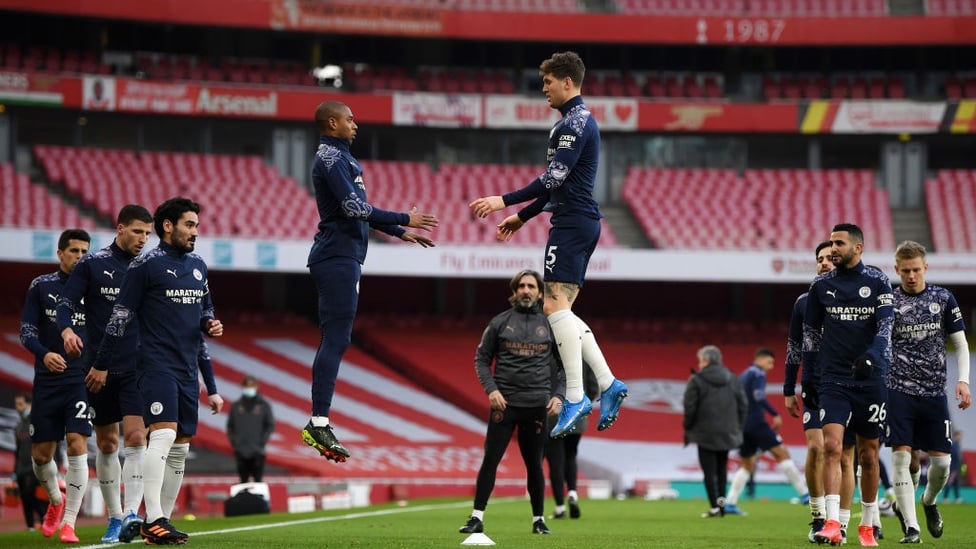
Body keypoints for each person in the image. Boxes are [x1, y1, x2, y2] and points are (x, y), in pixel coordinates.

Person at [468, 51, 627, 439]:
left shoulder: (573, 125)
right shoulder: (574, 122)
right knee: (563, 310)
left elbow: (551, 179)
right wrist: (522, 217)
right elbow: (559, 183)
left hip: (572, 224)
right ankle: (607, 383)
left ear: (567, 82)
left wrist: (503, 201)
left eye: (548, 82)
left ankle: (576, 394)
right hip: (575, 220)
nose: (544, 89)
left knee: (553, 307)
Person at [301, 100, 437, 463]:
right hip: (336, 256)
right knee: (336, 337)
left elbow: (359, 212)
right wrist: (405, 217)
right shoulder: (330, 159)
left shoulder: (341, 158)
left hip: (344, 257)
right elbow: (354, 210)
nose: (355, 124)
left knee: (339, 337)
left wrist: (398, 231)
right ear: (332, 123)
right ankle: (318, 421)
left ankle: (320, 419)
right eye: (349, 119)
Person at [92, 197, 224, 545]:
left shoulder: (198, 265)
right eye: (189, 225)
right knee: (162, 434)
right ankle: (153, 518)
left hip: (185, 369)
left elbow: (205, 306)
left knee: (180, 444)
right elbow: (120, 316)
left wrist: (210, 321)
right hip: (155, 364)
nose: (195, 231)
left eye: (196, 225)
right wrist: (101, 362)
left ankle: (160, 523)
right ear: (168, 226)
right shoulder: (145, 266)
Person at [56, 204, 154, 543]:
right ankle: (114, 517)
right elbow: (65, 305)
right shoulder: (92, 265)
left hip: (136, 368)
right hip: (97, 368)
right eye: (138, 231)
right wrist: (67, 331)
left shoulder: (149, 267)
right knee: (108, 442)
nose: (144, 239)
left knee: (136, 437)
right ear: (120, 228)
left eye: (148, 233)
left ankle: (130, 515)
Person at [802, 223, 893, 547]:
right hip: (834, 379)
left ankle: (867, 525)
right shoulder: (820, 286)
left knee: (869, 456)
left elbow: (886, 327)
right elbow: (810, 336)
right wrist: (808, 378)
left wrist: (871, 356)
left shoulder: (878, 281)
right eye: (831, 243)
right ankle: (831, 523)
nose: (833, 248)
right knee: (832, 448)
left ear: (858, 247)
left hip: (871, 379)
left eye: (839, 243)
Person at [458, 269, 565, 536]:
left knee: (535, 465)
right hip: (504, 405)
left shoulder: (552, 325)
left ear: (540, 293)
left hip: (537, 406)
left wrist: (559, 395)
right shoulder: (500, 322)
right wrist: (491, 390)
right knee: (491, 459)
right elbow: (481, 359)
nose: (526, 291)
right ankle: (476, 517)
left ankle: (538, 520)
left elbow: (566, 368)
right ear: (514, 291)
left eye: (531, 286)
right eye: (521, 286)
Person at [885, 240, 970, 543]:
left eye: (916, 270)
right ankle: (911, 527)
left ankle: (929, 502)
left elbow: (959, 344)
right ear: (897, 269)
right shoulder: (889, 303)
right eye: (905, 270)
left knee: (942, 464)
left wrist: (963, 380)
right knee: (901, 458)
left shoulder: (943, 298)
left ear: (925, 268)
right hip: (898, 390)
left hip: (934, 392)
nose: (911, 275)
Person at [19, 228, 91, 543]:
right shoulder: (41, 286)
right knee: (41, 456)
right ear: (60, 253)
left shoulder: (95, 288)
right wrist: (45, 353)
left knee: (77, 443)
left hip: (79, 379)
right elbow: (26, 331)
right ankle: (56, 502)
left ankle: (70, 523)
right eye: (73, 251)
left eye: (84, 252)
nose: (79, 257)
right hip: (47, 380)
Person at [784, 241, 858, 542]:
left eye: (829, 258)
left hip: (850, 385)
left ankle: (840, 522)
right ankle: (817, 517)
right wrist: (789, 387)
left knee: (845, 457)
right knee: (818, 448)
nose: (824, 263)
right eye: (819, 259)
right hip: (815, 385)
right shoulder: (804, 302)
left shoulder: (854, 299)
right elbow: (794, 347)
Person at [723, 348, 809, 515]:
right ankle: (805, 494)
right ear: (760, 360)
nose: (770, 367)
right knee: (782, 454)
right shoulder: (758, 374)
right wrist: (775, 414)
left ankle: (730, 503)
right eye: (769, 362)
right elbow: (759, 396)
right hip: (757, 423)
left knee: (747, 464)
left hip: (742, 425)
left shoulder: (742, 376)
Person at [682, 345, 747, 518]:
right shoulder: (733, 379)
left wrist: (688, 427)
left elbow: (689, 407)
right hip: (727, 431)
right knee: (721, 470)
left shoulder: (696, 380)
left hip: (705, 432)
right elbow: (743, 405)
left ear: (705, 360)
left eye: (701, 360)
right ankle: (722, 505)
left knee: (709, 472)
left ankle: (715, 507)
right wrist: (737, 427)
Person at [545, 366, 597, 520]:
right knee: (571, 455)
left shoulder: (549, 352)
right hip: (577, 414)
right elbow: (593, 386)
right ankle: (573, 493)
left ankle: (560, 507)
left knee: (556, 461)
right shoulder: (582, 353)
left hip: (554, 414)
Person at [227, 375, 275, 483]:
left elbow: (270, 425)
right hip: (241, 450)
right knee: (243, 482)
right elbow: (230, 426)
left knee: (258, 482)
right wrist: (235, 443)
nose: (249, 389)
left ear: (257, 387)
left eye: (252, 386)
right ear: (243, 387)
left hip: (258, 451)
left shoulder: (264, 406)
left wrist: (262, 442)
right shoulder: (236, 406)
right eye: (247, 386)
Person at [13, 393, 47, 531]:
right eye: (16, 404)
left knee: (32, 495)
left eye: (20, 404)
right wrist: (14, 471)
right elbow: (17, 450)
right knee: (25, 498)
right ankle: (30, 526)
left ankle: (44, 517)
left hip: (34, 467)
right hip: (21, 468)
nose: (18, 408)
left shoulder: (37, 421)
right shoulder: (18, 426)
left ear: (28, 404)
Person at [943, 431, 963, 503]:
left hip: (956, 467)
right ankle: (945, 497)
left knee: (956, 483)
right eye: (959, 436)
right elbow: (954, 456)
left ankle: (957, 498)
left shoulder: (957, 445)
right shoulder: (953, 445)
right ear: (955, 436)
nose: (960, 437)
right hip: (953, 467)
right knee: (949, 482)